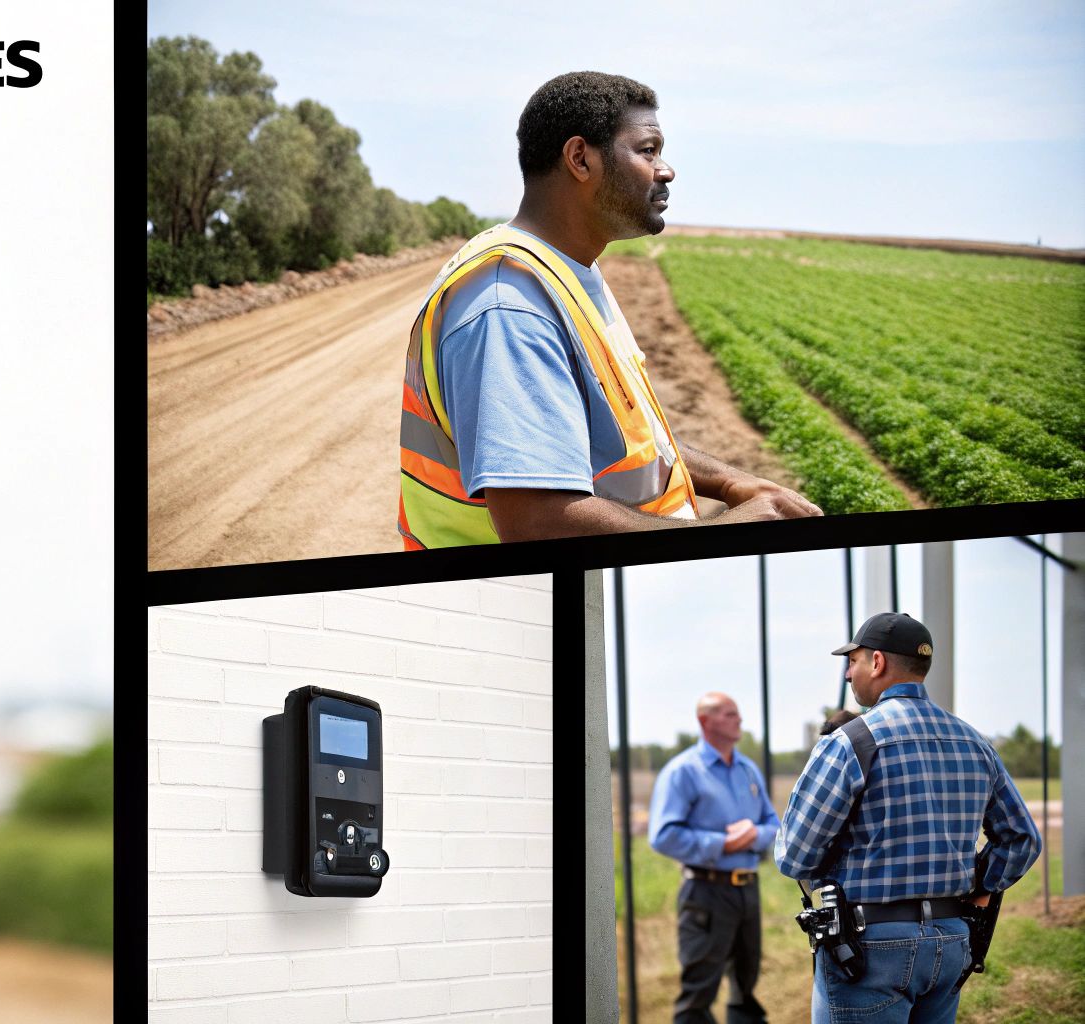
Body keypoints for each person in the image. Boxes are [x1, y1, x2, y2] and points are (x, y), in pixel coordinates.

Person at [397, 71, 821, 547]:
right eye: (647, 149)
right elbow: (538, 522)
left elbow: (621, 441)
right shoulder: (510, 305)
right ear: (581, 158)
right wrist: (720, 533)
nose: (666, 169)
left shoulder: (570, 271)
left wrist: (726, 481)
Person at [776, 613, 1041, 1024]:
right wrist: (982, 885)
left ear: (877, 662)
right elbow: (1022, 838)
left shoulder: (851, 742)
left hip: (866, 949)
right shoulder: (975, 742)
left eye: (854, 661)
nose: (849, 674)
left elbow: (794, 857)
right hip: (953, 941)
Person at [647, 693, 780, 1024]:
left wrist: (753, 835)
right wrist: (723, 845)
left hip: (747, 891)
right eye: (729, 714)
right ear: (705, 722)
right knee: (698, 994)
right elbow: (663, 836)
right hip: (706, 894)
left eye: (738, 713)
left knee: (744, 989)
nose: (740, 719)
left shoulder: (748, 770)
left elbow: (774, 826)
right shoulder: (683, 772)